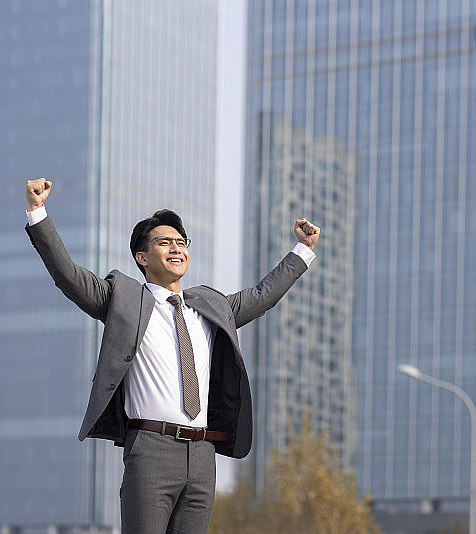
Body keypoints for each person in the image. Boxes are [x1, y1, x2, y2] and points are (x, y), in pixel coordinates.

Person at [24, 177, 319, 533]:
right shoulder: (124, 301)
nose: (176, 248)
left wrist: (302, 250)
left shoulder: (211, 307)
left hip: (202, 455)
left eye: (181, 242)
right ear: (142, 257)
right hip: (151, 449)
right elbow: (69, 276)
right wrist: (38, 212)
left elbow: (261, 296)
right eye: (164, 242)